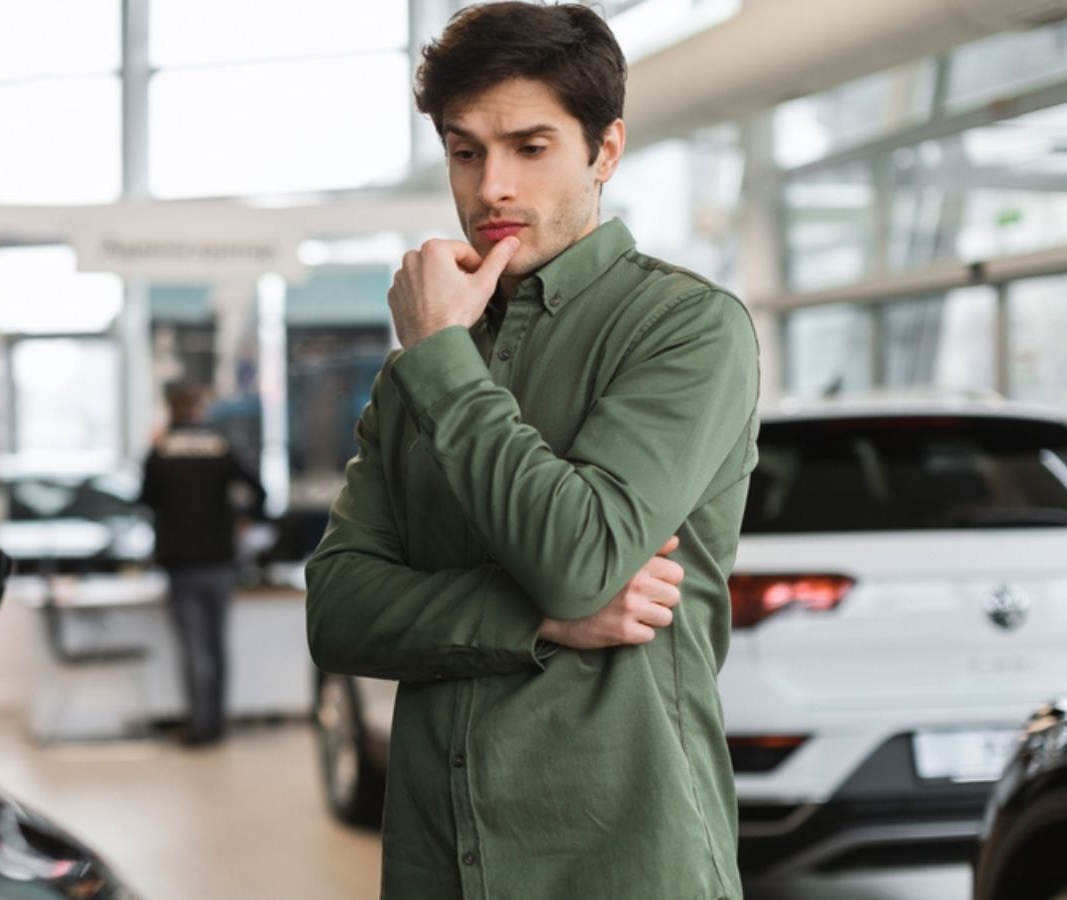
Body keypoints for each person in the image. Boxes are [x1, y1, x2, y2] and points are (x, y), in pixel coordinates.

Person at [305, 3, 760, 898]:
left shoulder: (687, 328)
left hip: (624, 864)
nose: (490, 190)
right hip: (442, 864)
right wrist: (538, 622)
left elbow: (579, 558)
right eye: (466, 151)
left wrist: (436, 359)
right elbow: (338, 610)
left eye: (531, 147)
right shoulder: (428, 363)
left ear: (607, 150)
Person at [140, 380, 267, 746]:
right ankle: (217, 721)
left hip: (180, 562)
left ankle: (200, 726)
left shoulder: (160, 451)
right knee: (217, 645)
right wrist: (240, 516)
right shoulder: (221, 447)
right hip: (220, 559)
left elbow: (145, 499)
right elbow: (259, 493)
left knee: (195, 647)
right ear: (200, 409)